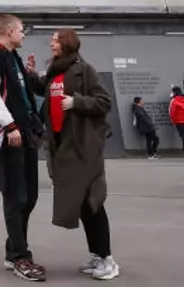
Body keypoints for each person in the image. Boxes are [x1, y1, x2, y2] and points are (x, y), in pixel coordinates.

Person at [0, 13, 47, 282]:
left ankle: (12, 250)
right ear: (7, 32)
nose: (24, 34)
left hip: (26, 135)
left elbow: (17, 92)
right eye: (20, 30)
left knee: (30, 196)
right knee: (16, 197)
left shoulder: (12, 57)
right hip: (10, 137)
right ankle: (20, 257)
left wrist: (28, 74)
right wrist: (10, 126)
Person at [42, 29, 118, 281]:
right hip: (63, 146)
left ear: (67, 43)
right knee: (82, 203)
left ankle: (108, 259)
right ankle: (96, 254)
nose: (51, 43)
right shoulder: (54, 71)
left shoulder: (84, 70)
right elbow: (44, 92)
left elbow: (103, 102)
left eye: (55, 39)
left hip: (83, 147)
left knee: (93, 201)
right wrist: (31, 73)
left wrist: (76, 102)